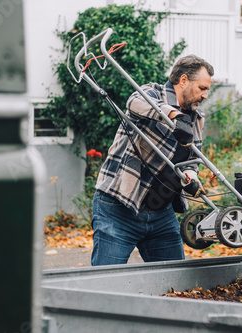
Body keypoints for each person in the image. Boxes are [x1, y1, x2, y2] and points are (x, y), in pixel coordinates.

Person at [91, 55, 214, 265]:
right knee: (105, 281)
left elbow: (192, 159)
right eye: (202, 88)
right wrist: (175, 116)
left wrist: (190, 177)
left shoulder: (197, 118)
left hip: (161, 215)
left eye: (207, 90)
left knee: (174, 281)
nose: (205, 95)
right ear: (183, 80)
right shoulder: (151, 93)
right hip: (118, 207)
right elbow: (133, 102)